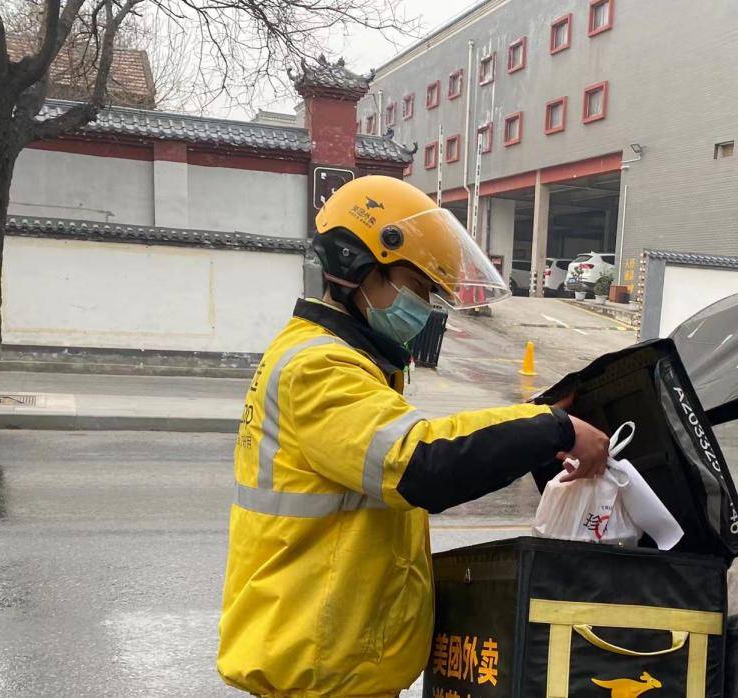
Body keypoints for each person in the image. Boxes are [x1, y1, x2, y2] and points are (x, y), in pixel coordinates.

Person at [217, 175, 610, 697]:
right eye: (417, 287)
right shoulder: (318, 368)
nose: (424, 305)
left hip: (333, 665)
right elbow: (421, 463)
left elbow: (422, 442)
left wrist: (533, 419)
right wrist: (550, 428)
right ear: (356, 265)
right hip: (316, 670)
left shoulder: (354, 364)